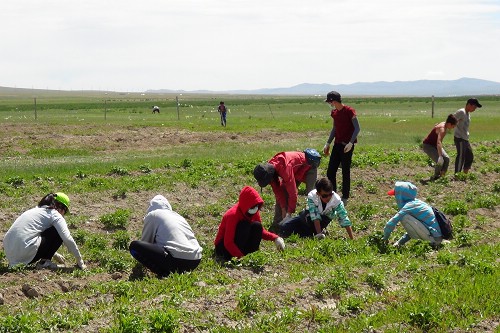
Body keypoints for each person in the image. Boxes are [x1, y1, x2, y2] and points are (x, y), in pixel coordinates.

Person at [3, 192, 86, 269]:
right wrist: (80, 261)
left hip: (11, 255)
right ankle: (44, 262)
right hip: (24, 252)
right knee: (57, 231)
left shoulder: (34, 211)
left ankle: (42, 259)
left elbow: (31, 235)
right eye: (65, 212)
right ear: (61, 208)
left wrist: (54, 254)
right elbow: (67, 238)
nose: (63, 216)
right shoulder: (54, 214)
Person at [129, 195, 202, 277]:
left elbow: (145, 241)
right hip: (195, 260)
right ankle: (175, 270)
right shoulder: (178, 216)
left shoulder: (153, 215)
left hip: (176, 259)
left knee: (135, 246)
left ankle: (164, 272)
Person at [253, 149, 321, 231]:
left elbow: (293, 193)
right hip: (295, 171)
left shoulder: (285, 168)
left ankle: (316, 224)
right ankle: (278, 223)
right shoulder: (269, 171)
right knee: (283, 194)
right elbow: (278, 192)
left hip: (309, 167)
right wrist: (283, 209)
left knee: (312, 195)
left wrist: (289, 213)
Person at [214, 186, 285, 261]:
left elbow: (261, 231)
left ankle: (250, 253)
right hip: (224, 247)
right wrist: (240, 257)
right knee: (244, 226)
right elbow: (228, 242)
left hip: (239, 242)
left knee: (257, 226)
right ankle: (236, 255)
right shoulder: (232, 215)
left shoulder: (254, 211)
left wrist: (275, 238)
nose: (255, 209)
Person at [279, 177, 354, 240]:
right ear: (318, 194)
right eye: (324, 196)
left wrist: (351, 238)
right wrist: (319, 234)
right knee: (284, 227)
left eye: (330, 194)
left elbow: (344, 218)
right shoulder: (312, 196)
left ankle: (314, 232)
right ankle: (315, 232)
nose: (328, 197)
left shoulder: (336, 200)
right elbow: (315, 216)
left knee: (306, 233)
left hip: (323, 220)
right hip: (308, 217)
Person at [323, 91, 361, 206]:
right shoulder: (334, 112)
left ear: (333, 101)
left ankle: (345, 196)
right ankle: (333, 194)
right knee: (331, 171)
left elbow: (357, 128)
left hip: (347, 147)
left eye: (330, 101)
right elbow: (334, 128)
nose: (330, 104)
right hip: (337, 144)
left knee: (345, 171)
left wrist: (350, 143)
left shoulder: (349, 111)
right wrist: (328, 143)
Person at [383, 181, 442, 247]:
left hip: (434, 238)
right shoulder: (415, 203)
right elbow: (413, 228)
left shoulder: (409, 206)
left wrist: (384, 239)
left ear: (400, 196)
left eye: (396, 195)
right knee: (406, 217)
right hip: (437, 237)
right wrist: (399, 243)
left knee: (404, 217)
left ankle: (432, 244)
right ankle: (433, 242)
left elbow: (391, 223)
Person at [422, 114, 458, 180]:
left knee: (446, 158)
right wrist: (440, 156)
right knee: (440, 161)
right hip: (428, 146)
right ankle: (435, 177)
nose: (453, 128)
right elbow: (439, 142)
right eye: (453, 126)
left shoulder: (444, 123)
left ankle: (442, 176)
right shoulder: (443, 130)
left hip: (434, 145)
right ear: (449, 124)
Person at [453, 98, 482, 174]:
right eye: (474, 107)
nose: (475, 109)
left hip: (465, 138)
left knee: (469, 156)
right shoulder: (461, 112)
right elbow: (451, 120)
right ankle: (457, 174)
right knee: (461, 156)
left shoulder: (467, 113)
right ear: (469, 105)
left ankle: (465, 173)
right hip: (459, 138)